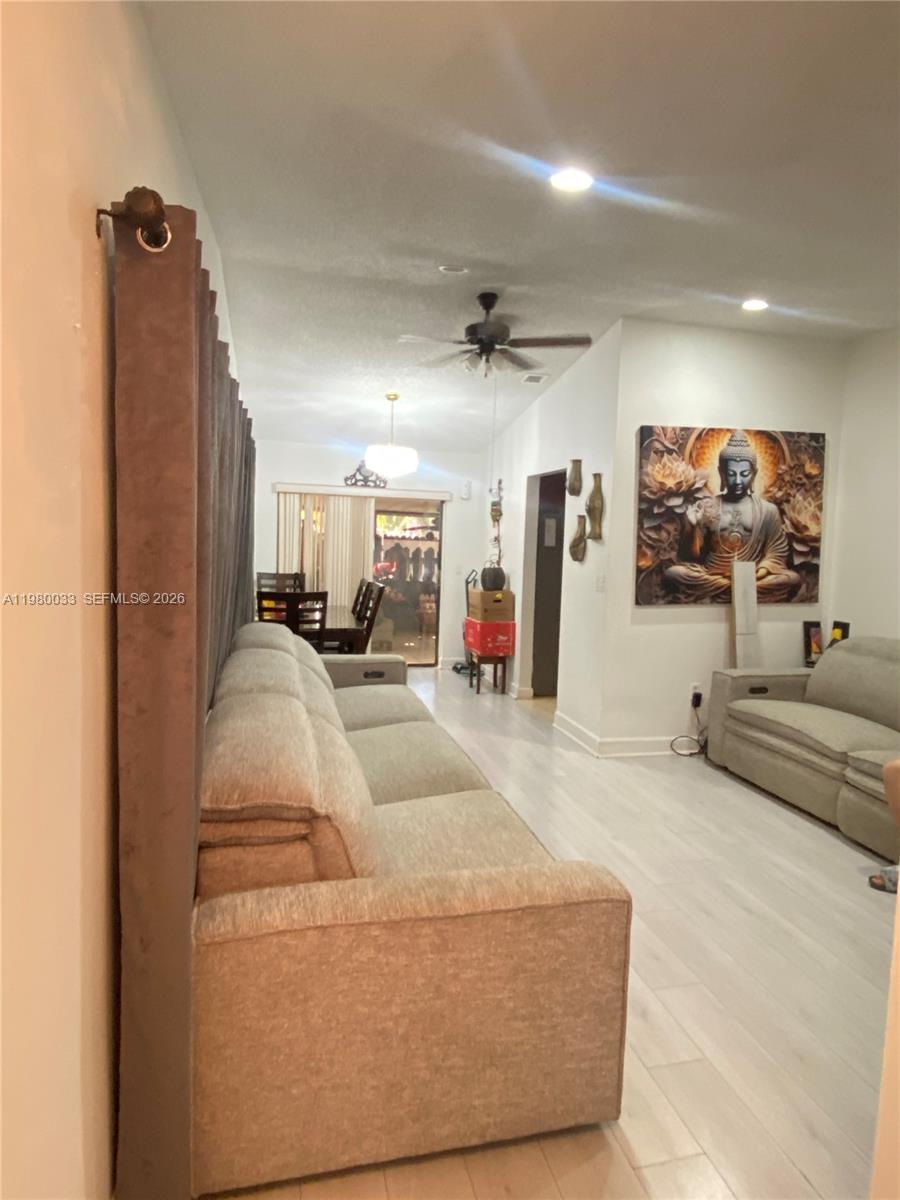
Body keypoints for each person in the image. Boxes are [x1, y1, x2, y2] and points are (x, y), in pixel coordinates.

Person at [664, 429, 801, 602]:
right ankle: (737, 589)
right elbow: (691, 557)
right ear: (721, 473)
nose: (737, 481)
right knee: (673, 574)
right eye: (731, 474)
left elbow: (776, 553)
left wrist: (756, 575)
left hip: (754, 577)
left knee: (792, 579)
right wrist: (691, 526)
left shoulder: (768, 510)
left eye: (744, 474)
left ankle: (736, 588)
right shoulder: (706, 507)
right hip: (713, 575)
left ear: (754, 474)